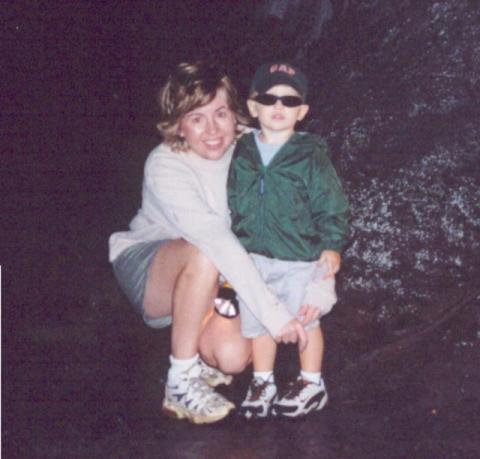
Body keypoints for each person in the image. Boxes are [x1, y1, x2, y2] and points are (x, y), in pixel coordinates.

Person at [108, 61, 308, 425]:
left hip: (216, 275)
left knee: (232, 358)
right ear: (179, 125)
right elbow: (215, 239)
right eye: (196, 118)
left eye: (220, 114)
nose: (212, 130)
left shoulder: (252, 145)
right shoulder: (165, 164)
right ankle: (180, 380)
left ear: (237, 115)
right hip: (152, 267)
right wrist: (273, 311)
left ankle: (197, 349)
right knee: (202, 253)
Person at [228, 61, 349, 419]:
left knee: (306, 320)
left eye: (290, 101)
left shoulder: (311, 155)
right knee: (260, 321)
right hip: (253, 257)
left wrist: (331, 244)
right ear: (253, 107)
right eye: (269, 98)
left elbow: (333, 204)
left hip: (300, 256)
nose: (279, 106)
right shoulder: (242, 151)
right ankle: (263, 380)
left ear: (303, 112)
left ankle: (311, 382)